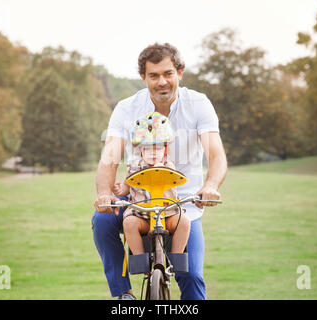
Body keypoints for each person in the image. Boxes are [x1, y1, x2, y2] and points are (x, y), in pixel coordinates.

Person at [92, 42, 227, 300]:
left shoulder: (198, 104)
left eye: (168, 73)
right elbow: (110, 157)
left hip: (183, 202)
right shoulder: (126, 108)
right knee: (102, 219)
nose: (161, 81)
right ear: (143, 77)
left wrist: (210, 186)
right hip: (137, 201)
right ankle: (124, 295)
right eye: (153, 75)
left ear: (180, 72)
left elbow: (216, 154)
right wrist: (104, 193)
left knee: (192, 276)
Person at [113, 112, 191, 256]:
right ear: (140, 151)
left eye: (158, 148)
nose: (153, 153)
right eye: (148, 149)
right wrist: (120, 190)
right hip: (141, 213)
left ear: (165, 150)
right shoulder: (133, 167)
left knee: (184, 222)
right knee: (129, 223)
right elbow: (126, 187)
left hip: (167, 213)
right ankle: (139, 259)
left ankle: (177, 258)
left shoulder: (168, 166)